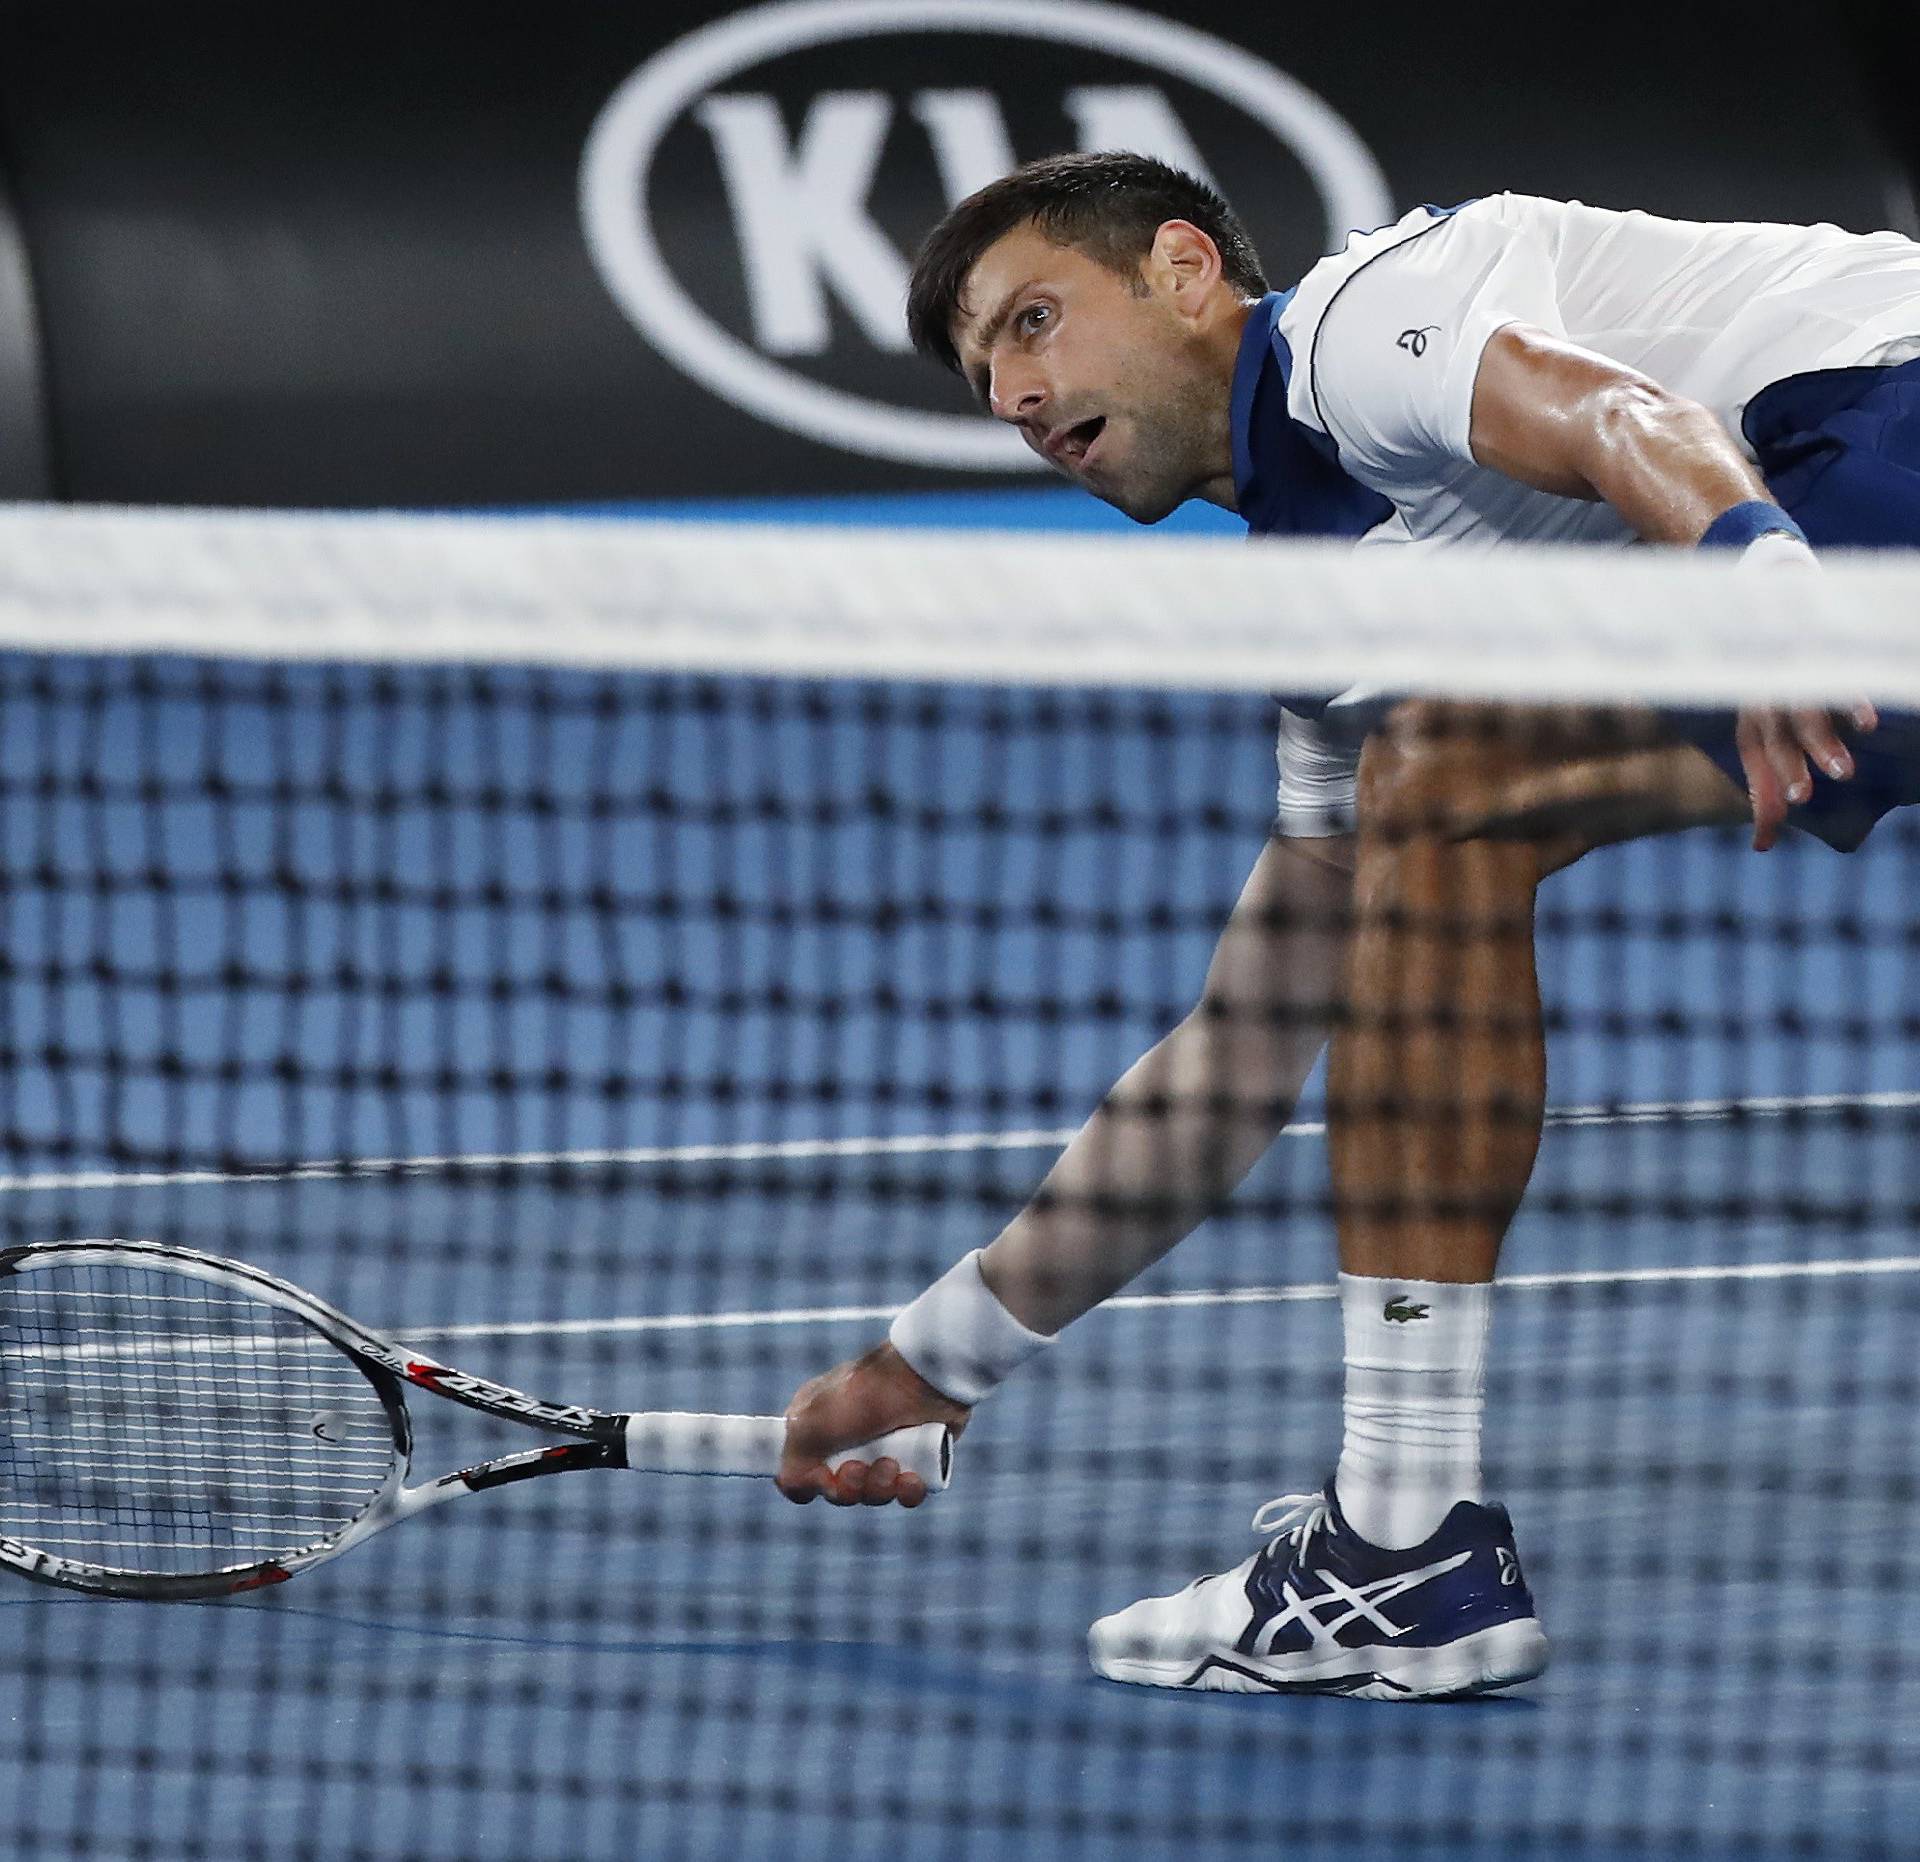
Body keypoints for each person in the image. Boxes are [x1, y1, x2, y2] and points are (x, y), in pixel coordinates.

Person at [775, 152, 1920, 1699]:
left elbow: (1625, 424)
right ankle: (1406, 1541)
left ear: (1185, 273)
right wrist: (932, 1361)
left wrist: (1768, 601)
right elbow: (1237, 1055)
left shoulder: (1371, 323)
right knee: (1431, 799)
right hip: (1826, 545)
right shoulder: (1332, 636)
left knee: (1443, 786)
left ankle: (1400, 1543)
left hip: (1868, 440)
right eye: (989, 374)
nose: (1017, 396)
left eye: (1035, 321)